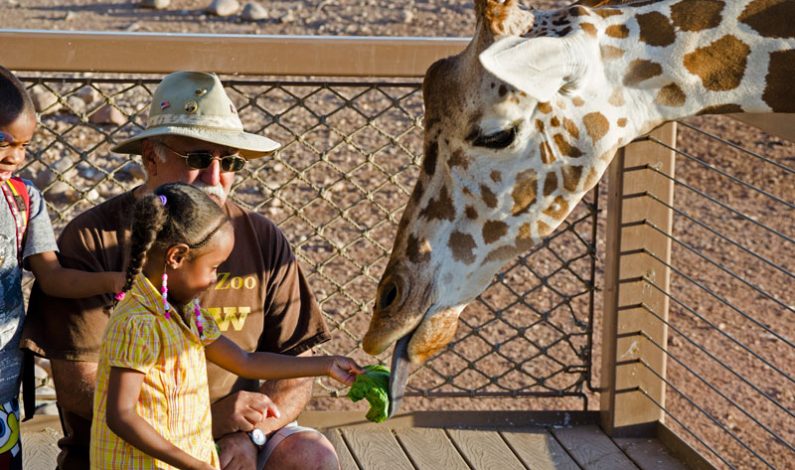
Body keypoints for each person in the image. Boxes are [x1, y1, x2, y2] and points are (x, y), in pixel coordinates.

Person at [22, 71, 340, 470]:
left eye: (231, 161)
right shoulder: (93, 240)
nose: (215, 176)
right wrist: (201, 425)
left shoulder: (260, 237)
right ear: (151, 158)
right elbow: (78, 386)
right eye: (199, 158)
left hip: (235, 441)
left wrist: (247, 434)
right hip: (131, 452)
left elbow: (285, 366)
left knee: (311, 456)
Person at [91, 183, 361, 470]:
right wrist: (194, 464)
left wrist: (327, 366)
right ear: (177, 257)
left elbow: (245, 362)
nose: (214, 279)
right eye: (213, 267)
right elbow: (121, 416)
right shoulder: (138, 324)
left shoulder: (187, 313)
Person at [0, 66, 125, 470]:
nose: (14, 156)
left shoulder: (22, 199)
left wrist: (113, 281)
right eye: (3, 140)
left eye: (25, 145)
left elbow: (52, 277)